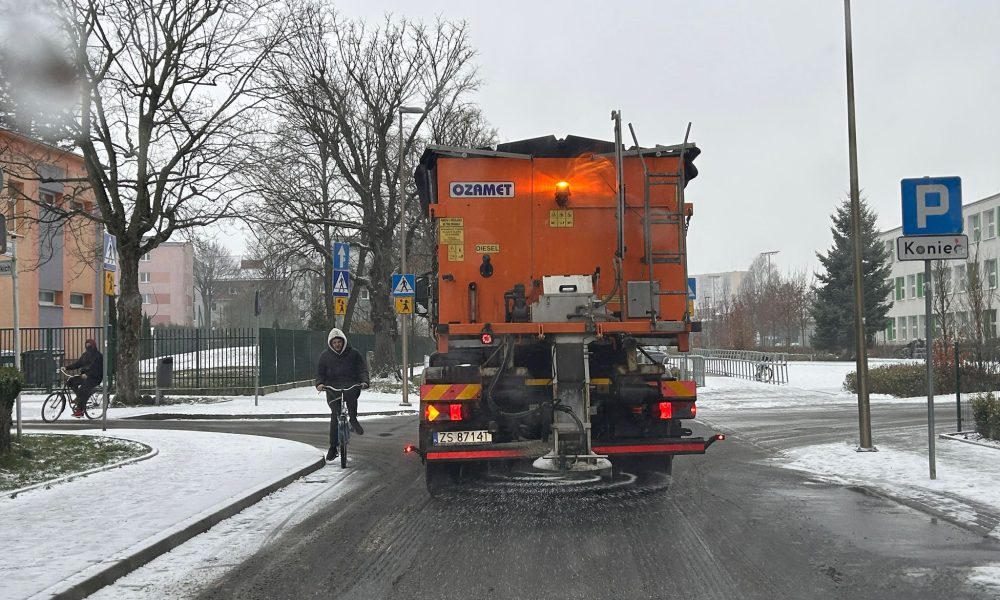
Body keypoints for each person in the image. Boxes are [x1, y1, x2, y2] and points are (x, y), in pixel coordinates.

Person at [315, 328, 370, 462]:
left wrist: (364, 381)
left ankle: (353, 419)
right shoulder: (325, 356)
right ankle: (333, 447)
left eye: (339, 342)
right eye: (334, 342)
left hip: (351, 383)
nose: (337, 345)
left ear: (344, 341)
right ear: (331, 343)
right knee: (335, 415)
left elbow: (362, 369)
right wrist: (319, 383)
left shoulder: (354, 354)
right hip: (332, 386)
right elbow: (320, 373)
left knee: (352, 398)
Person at [65, 338, 103, 418]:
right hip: (84, 376)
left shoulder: (98, 356)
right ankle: (79, 397)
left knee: (83, 389)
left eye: (90, 345)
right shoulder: (85, 355)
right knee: (71, 381)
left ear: (93, 346)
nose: (88, 347)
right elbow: (78, 364)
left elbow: (98, 370)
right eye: (87, 345)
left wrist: (88, 374)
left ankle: (80, 410)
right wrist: (66, 368)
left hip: (94, 378)